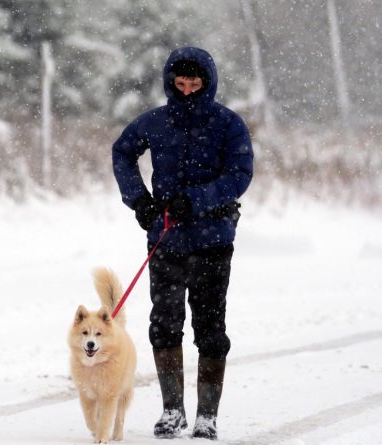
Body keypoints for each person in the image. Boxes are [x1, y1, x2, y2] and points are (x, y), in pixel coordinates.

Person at [112, 47, 254, 440]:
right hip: (166, 240)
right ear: (170, 82)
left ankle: (207, 417)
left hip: (213, 240)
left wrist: (197, 199)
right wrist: (139, 201)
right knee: (164, 325)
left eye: (196, 82)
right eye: (181, 82)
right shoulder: (155, 123)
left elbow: (240, 174)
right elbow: (122, 152)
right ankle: (172, 411)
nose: (188, 89)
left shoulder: (228, 124)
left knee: (210, 328)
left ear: (208, 82)